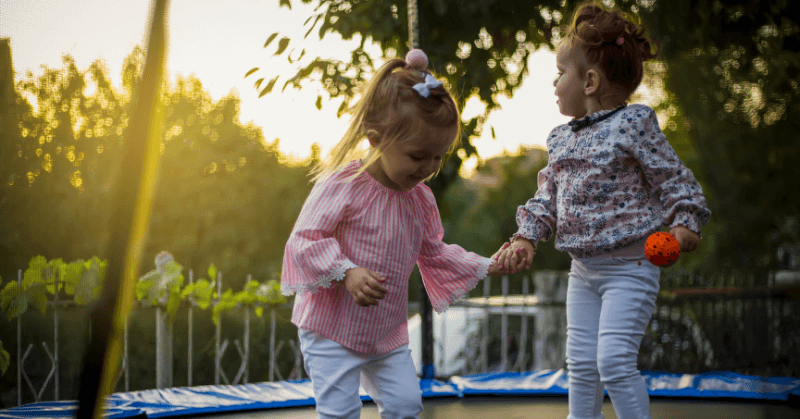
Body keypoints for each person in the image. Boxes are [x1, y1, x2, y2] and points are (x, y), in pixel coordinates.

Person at [494, 1, 712, 418]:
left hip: (631, 268)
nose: (555, 83)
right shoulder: (560, 139)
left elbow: (673, 177)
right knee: (581, 368)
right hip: (583, 271)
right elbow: (547, 197)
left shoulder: (633, 123)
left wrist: (685, 222)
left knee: (612, 362)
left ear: (590, 81)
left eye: (560, 73)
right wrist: (526, 235)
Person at [281, 49, 507, 419]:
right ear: (375, 138)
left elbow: (434, 253)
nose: (429, 168)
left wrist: (486, 265)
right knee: (339, 413)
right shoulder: (345, 184)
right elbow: (304, 239)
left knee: (406, 406)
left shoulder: (419, 200)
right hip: (331, 329)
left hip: (384, 334)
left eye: (438, 157)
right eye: (418, 156)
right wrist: (347, 270)